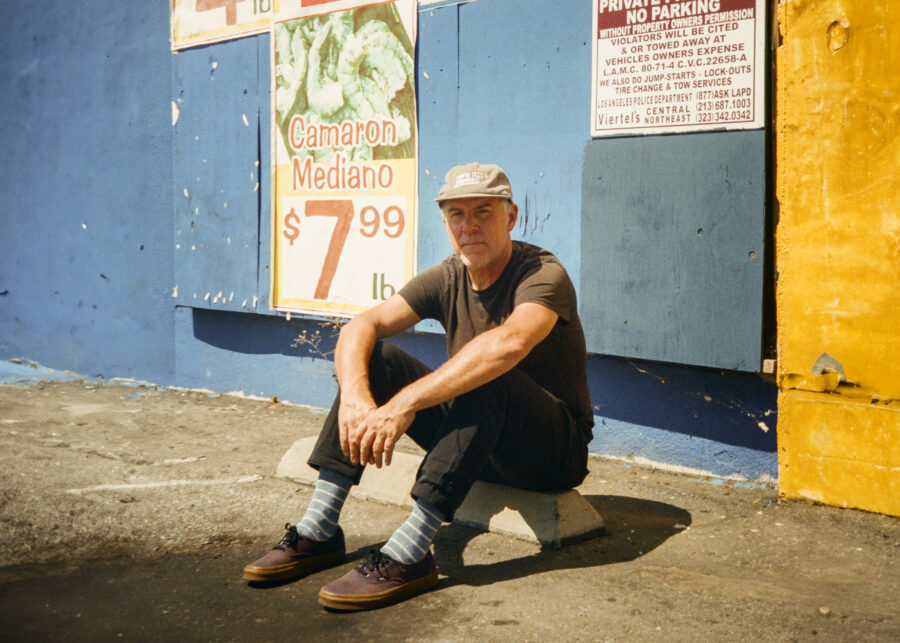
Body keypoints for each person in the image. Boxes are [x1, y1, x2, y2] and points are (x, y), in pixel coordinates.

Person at [243, 162, 594, 610]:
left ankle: (410, 554)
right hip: (480, 439)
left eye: (484, 212)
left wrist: (404, 404)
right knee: (376, 358)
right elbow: (363, 324)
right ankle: (320, 529)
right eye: (457, 215)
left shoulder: (543, 274)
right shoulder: (449, 275)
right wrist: (356, 397)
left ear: (511, 216)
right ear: (446, 222)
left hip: (550, 453)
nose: (469, 227)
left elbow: (509, 344)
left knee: (492, 372)